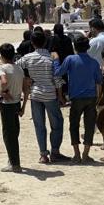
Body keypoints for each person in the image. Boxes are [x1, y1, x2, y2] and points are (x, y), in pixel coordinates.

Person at [17, 31, 69, 164]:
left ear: (32, 43)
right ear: (45, 42)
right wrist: (61, 95)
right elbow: (57, 78)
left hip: (35, 94)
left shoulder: (28, 58)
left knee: (39, 125)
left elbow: (16, 66)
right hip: (50, 94)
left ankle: (43, 155)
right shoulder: (51, 58)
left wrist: (25, 79)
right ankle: (55, 152)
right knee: (57, 124)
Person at [52, 37, 102, 163]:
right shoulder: (95, 62)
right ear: (88, 48)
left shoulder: (70, 59)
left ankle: (77, 154)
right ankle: (86, 154)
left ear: (75, 47)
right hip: (91, 97)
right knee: (89, 126)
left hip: (76, 98)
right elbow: (99, 82)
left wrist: (56, 60)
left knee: (74, 125)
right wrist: (97, 98)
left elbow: (58, 73)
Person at [0, 43, 25, 172]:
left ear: (2, 56)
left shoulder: (3, 68)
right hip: (17, 103)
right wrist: (24, 106)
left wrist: (4, 92)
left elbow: (3, 81)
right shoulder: (19, 69)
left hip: (7, 104)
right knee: (15, 132)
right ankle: (12, 159)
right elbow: (26, 88)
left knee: (9, 134)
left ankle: (14, 164)